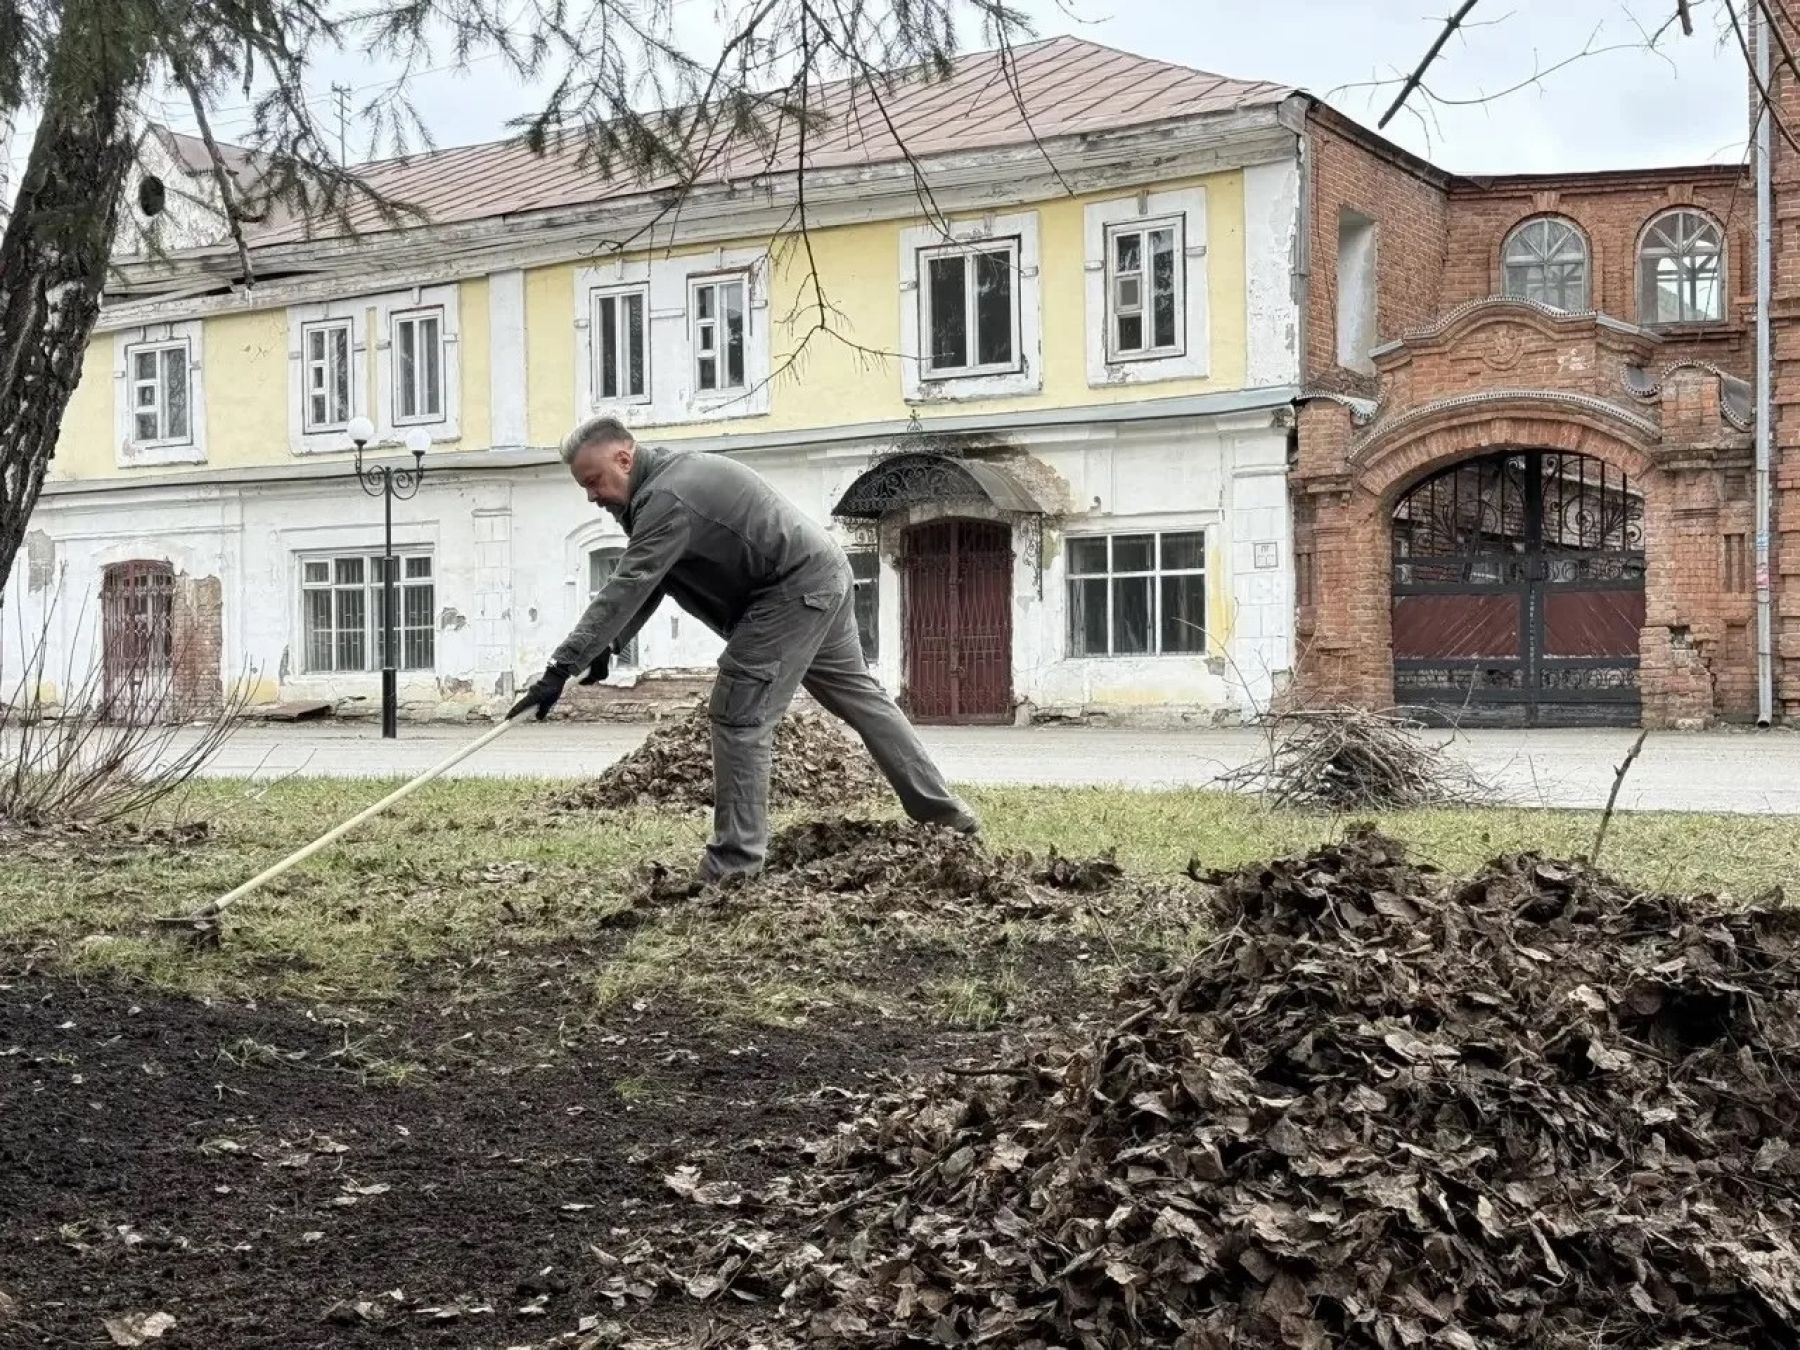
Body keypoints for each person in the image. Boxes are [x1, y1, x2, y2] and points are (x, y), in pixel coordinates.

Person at [510, 415, 980, 881]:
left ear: (624, 457)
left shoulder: (665, 497)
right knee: (860, 699)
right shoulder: (665, 484)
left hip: (791, 590)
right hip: (819, 573)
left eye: (594, 482)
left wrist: (559, 667)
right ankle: (948, 818)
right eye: (584, 488)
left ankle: (732, 867)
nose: (592, 497)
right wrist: (607, 644)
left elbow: (630, 580)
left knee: (739, 715)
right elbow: (653, 579)